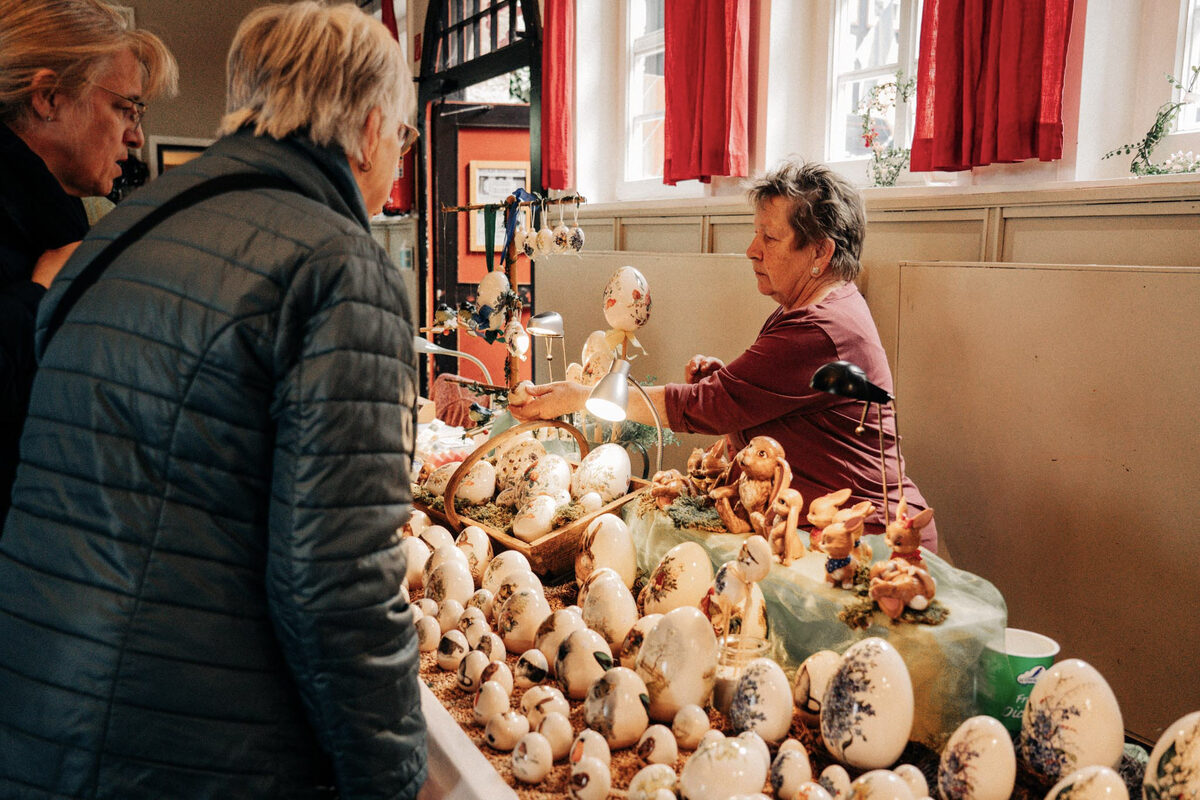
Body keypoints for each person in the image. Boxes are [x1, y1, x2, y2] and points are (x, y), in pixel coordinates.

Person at [0, 3, 426, 798]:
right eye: (401, 138)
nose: (396, 163)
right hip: (180, 750)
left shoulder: (123, 232)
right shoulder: (340, 266)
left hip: (38, 714)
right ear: (370, 129)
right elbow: (338, 586)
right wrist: (394, 781)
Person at [511, 160, 939, 551]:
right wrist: (733, 390)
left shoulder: (818, 327)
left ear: (820, 252)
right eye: (756, 233)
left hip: (868, 539)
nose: (752, 249)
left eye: (770, 237)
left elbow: (706, 408)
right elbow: (763, 405)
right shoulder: (811, 308)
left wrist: (579, 396)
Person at [0, 0, 177, 529]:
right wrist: (40, 296)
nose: (137, 136)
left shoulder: (55, 220)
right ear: (49, 97)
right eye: (127, 108)